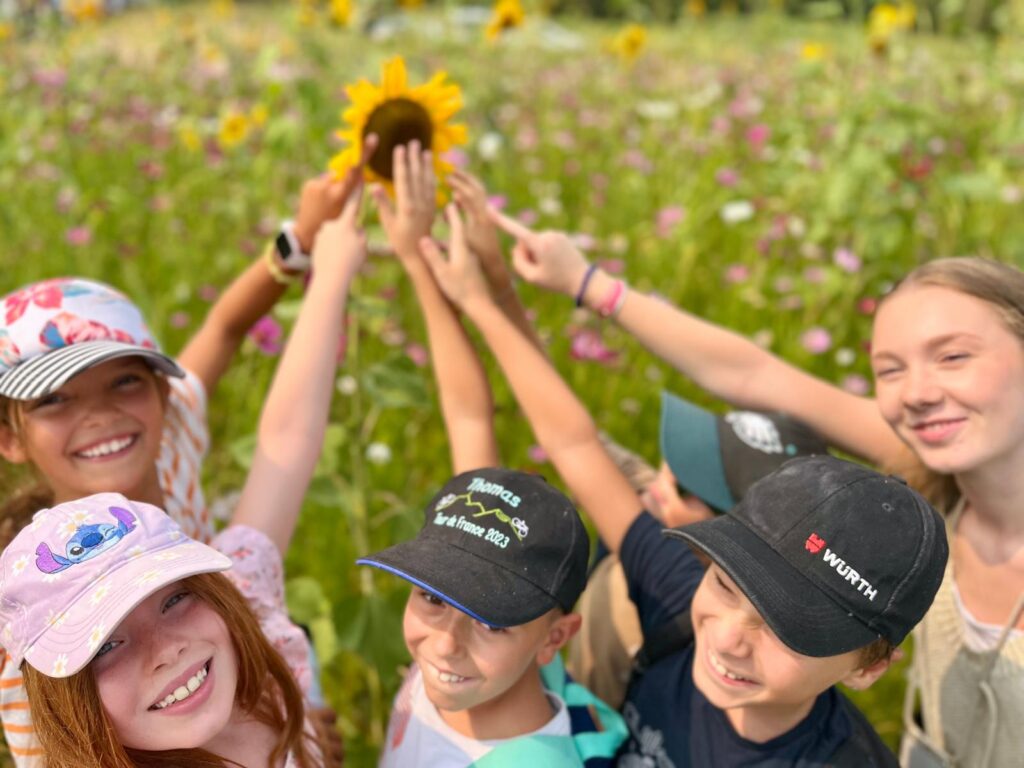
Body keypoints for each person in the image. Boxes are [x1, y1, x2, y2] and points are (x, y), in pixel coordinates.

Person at [417, 203, 950, 766]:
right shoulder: (678, 602)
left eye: (789, 630)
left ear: (869, 667)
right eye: (723, 581)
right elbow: (576, 446)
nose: (727, 638)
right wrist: (485, 295)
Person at [0, 152, 372, 765]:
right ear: (10, 439)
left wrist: (298, 243)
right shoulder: (29, 628)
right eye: (57, 399)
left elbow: (228, 336)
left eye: (124, 383)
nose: (100, 416)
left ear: (163, 397)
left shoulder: (174, 452)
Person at [361, 142, 626, 767]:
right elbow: (467, 414)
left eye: (492, 622)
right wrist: (416, 256)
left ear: (554, 639)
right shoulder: (481, 675)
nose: (446, 642)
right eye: (432, 595)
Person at [570, 395, 829, 709]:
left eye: (683, 488)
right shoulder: (655, 502)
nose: (662, 481)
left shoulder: (670, 610)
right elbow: (577, 439)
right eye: (677, 460)